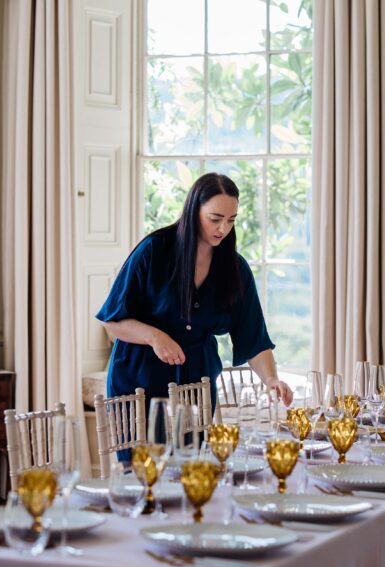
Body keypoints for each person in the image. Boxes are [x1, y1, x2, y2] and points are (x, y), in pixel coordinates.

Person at [96, 172, 294, 419]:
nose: (223, 229)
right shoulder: (153, 252)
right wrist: (154, 337)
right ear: (193, 211)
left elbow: (254, 338)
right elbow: (112, 321)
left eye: (231, 220)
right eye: (215, 219)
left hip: (196, 387)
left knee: (194, 457)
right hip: (138, 383)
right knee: (142, 459)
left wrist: (271, 379)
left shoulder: (235, 269)